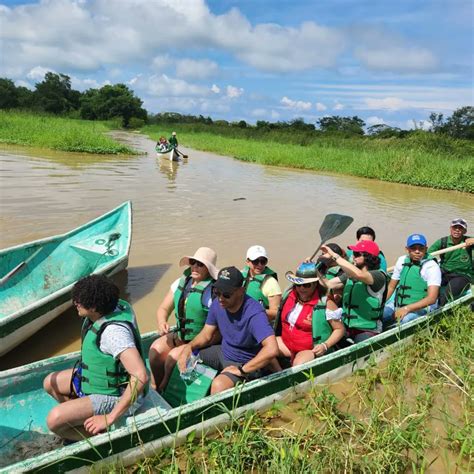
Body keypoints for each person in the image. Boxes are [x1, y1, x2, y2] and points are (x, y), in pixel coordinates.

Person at [43, 275, 148, 441]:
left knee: (54, 419)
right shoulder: (103, 311)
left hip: (118, 395)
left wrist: (110, 417)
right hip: (97, 380)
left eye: (81, 300)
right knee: (50, 383)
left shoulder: (113, 334)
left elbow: (140, 376)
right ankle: (84, 422)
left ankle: (101, 439)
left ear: (95, 307)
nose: (75, 302)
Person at [177, 266, 278, 395]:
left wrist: (242, 370)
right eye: (217, 292)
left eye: (226, 294)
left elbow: (272, 349)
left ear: (241, 291)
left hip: (245, 361)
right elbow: (206, 335)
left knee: (218, 385)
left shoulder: (254, 313)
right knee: (180, 356)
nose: (220, 298)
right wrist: (189, 347)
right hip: (223, 352)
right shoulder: (218, 304)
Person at [148, 247, 218, 391]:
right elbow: (163, 309)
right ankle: (154, 386)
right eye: (193, 262)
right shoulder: (180, 283)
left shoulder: (214, 292)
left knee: (171, 358)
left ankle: (164, 389)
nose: (195, 267)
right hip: (181, 335)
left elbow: (218, 327)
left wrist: (192, 345)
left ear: (209, 269)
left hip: (202, 341)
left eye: (200, 264)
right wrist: (162, 322)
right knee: (155, 350)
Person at [273, 262, 345, 367]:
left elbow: (340, 329)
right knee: (262, 346)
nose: (301, 288)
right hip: (286, 343)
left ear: (315, 284)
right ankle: (278, 372)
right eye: (298, 284)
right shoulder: (289, 295)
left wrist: (325, 345)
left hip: (308, 349)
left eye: (306, 285)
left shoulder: (325, 303)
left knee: (299, 365)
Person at [317, 240, 388, 343]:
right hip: (347, 327)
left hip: (368, 330)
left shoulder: (378, 276)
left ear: (369, 257)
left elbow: (359, 274)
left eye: (357, 254)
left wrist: (334, 255)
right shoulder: (350, 275)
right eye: (353, 253)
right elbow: (328, 284)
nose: (353, 256)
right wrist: (313, 269)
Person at [383, 234, 441, 326]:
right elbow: (391, 287)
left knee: (404, 321)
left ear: (426, 249)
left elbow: (432, 298)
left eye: (421, 248)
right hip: (398, 304)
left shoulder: (431, 267)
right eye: (413, 248)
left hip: (422, 308)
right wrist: (380, 304)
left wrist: (407, 309)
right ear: (407, 249)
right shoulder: (401, 261)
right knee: (379, 315)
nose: (417, 251)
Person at [428, 218, 473, 305]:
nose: (457, 230)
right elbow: (427, 255)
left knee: (447, 294)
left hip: (463, 275)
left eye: (460, 228)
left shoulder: (469, 241)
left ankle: (436, 308)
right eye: (454, 227)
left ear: (465, 231)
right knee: (425, 286)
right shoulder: (443, 241)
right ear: (450, 229)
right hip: (444, 272)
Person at [241, 245, 282, 321]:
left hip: (260, 323)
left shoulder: (271, 283)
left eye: (263, 261)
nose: (259, 265)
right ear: (247, 262)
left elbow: (276, 313)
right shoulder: (239, 276)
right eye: (255, 261)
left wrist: (255, 312)